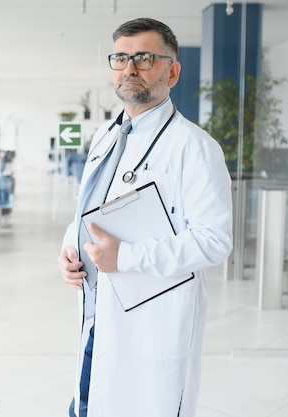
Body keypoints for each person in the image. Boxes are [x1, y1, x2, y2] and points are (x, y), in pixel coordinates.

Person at [57, 18, 233, 417]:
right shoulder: (105, 135)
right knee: (87, 405)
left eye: (144, 58)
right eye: (120, 58)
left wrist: (126, 258)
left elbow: (214, 240)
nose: (129, 68)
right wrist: (70, 248)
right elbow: (87, 207)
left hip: (154, 317)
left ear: (172, 72)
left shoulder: (195, 147)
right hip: (100, 309)